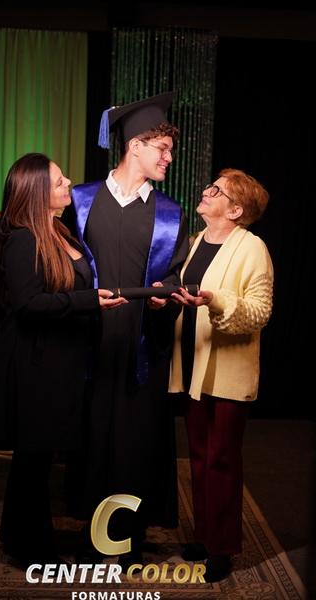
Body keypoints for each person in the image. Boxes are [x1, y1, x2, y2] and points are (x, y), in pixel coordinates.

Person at [62, 92, 189, 568]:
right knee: (93, 438)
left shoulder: (170, 213)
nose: (169, 158)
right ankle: (92, 537)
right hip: (90, 342)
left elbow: (173, 275)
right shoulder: (81, 201)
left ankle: (127, 540)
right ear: (135, 145)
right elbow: (63, 266)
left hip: (141, 344)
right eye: (163, 149)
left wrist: (163, 297)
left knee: (135, 444)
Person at [0, 152, 125, 567]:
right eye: (58, 180)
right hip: (36, 364)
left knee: (39, 456)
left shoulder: (59, 230)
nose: (68, 182)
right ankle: (30, 548)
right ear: (36, 192)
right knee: (33, 457)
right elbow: (28, 304)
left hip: (63, 359)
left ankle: (17, 536)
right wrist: (88, 301)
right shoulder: (22, 239)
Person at [168, 168, 273, 582]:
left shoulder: (253, 248)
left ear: (235, 210)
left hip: (228, 372)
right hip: (193, 364)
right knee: (197, 457)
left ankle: (223, 547)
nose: (206, 192)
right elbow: (185, 291)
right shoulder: (197, 242)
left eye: (217, 190)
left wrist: (216, 299)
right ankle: (204, 535)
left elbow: (259, 312)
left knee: (221, 460)